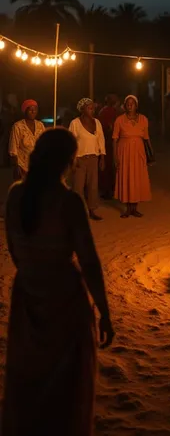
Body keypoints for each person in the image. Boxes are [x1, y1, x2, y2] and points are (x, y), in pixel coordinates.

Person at [1, 128, 114, 436]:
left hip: (27, 295)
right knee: (67, 389)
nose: (74, 166)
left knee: (30, 381)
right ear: (65, 162)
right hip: (64, 301)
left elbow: (14, 250)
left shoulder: (14, 195)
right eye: (72, 160)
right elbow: (88, 261)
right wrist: (104, 311)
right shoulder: (68, 202)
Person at [113, 95, 152, 218]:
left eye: (132, 103)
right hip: (124, 152)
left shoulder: (143, 119)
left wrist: (151, 154)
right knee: (126, 176)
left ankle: (135, 207)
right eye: (128, 104)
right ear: (125, 106)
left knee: (137, 177)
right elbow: (114, 139)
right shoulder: (119, 120)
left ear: (136, 105)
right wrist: (115, 156)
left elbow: (146, 138)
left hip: (139, 151)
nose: (130, 106)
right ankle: (127, 208)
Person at [69, 98, 106, 222]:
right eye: (89, 108)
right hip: (80, 158)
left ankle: (92, 210)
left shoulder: (97, 123)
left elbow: (101, 140)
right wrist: (72, 160)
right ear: (82, 109)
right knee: (78, 187)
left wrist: (102, 157)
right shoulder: (75, 123)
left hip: (93, 158)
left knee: (93, 186)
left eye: (93, 108)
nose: (92, 110)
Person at [8, 99, 45, 181]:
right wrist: (16, 166)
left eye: (35, 109)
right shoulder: (18, 126)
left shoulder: (40, 125)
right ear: (25, 111)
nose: (33, 112)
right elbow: (13, 148)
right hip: (23, 167)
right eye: (30, 109)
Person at [98, 94, 120, 199]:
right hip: (108, 142)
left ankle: (108, 189)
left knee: (109, 167)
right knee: (109, 167)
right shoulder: (110, 112)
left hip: (109, 142)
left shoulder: (103, 111)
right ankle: (109, 189)